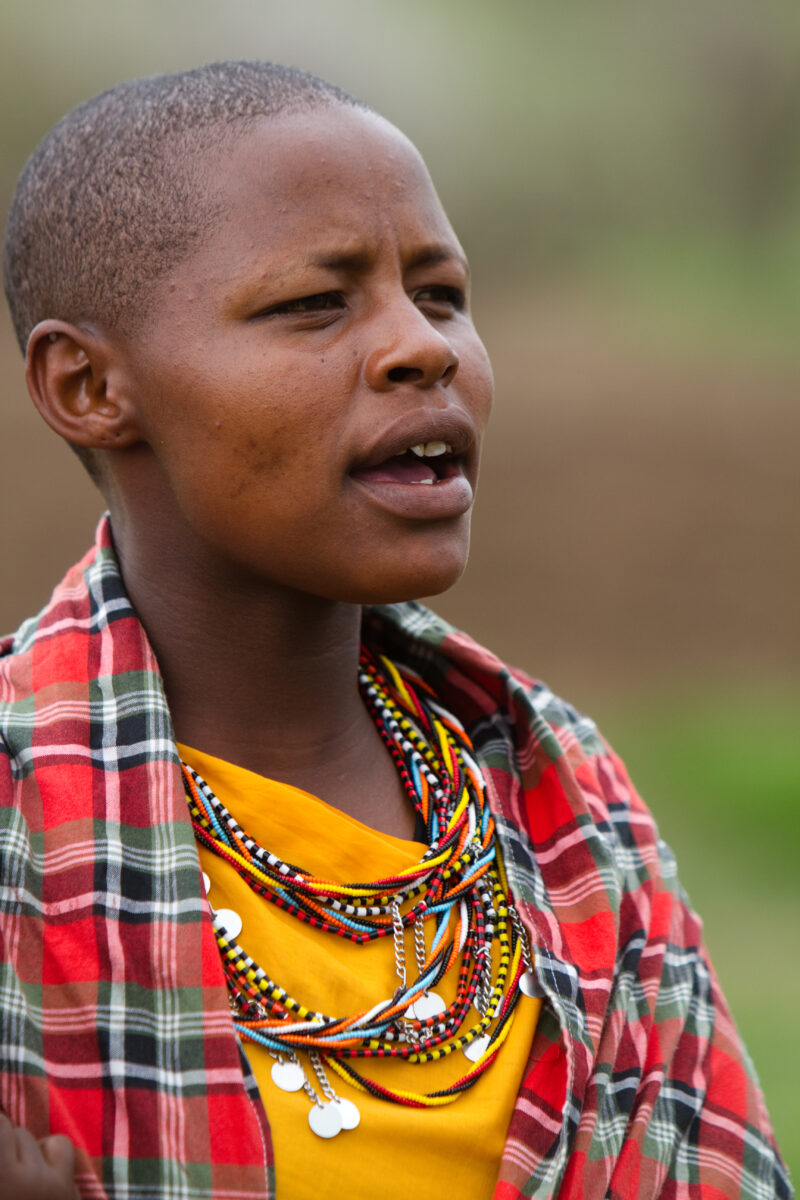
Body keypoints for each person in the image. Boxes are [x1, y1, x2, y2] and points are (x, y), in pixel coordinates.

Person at [0, 61, 791, 1200]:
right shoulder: (27, 827)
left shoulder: (557, 798)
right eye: (313, 305)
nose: (423, 348)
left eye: (442, 295)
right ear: (86, 385)